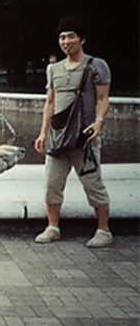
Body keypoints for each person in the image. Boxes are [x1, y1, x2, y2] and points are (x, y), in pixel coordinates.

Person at [34, 16, 112, 248]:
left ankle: (104, 230)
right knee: (51, 184)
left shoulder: (97, 65)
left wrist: (98, 122)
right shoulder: (54, 69)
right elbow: (50, 102)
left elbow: (103, 98)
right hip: (58, 138)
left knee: (93, 184)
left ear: (82, 39)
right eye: (62, 37)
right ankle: (52, 227)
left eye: (71, 36)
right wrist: (42, 133)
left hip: (83, 138)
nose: (66, 41)